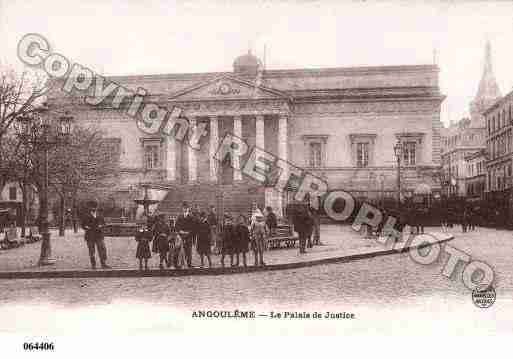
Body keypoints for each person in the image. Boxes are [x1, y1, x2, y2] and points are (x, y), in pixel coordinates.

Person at [81, 203, 110, 269]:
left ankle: (103, 263)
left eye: (94, 209)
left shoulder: (100, 216)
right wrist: (86, 227)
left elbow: (104, 224)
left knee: (102, 249)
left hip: (99, 235)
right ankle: (93, 265)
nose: (93, 210)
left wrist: (101, 226)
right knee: (91, 251)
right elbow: (83, 225)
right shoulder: (86, 216)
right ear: (90, 210)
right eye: (92, 209)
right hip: (90, 236)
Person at [175, 202, 195, 268]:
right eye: (184, 208)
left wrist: (188, 232)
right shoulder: (179, 217)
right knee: (180, 250)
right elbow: (177, 226)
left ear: (189, 208)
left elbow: (193, 227)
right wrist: (180, 231)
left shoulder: (191, 217)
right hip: (181, 236)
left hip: (189, 236)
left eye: (186, 208)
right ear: (182, 209)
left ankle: (189, 263)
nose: (185, 209)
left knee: (189, 250)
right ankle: (180, 264)